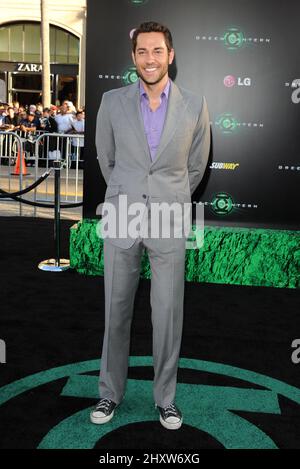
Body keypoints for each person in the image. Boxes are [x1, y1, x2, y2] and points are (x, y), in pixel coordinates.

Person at [91, 21, 210, 430]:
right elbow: (106, 159)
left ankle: (166, 399)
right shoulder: (111, 101)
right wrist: (129, 193)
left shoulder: (195, 105)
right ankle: (109, 394)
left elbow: (196, 167)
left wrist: (167, 198)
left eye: (157, 51)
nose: (150, 59)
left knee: (168, 314)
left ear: (170, 56)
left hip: (170, 217)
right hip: (122, 212)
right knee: (115, 311)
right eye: (142, 52)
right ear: (133, 58)